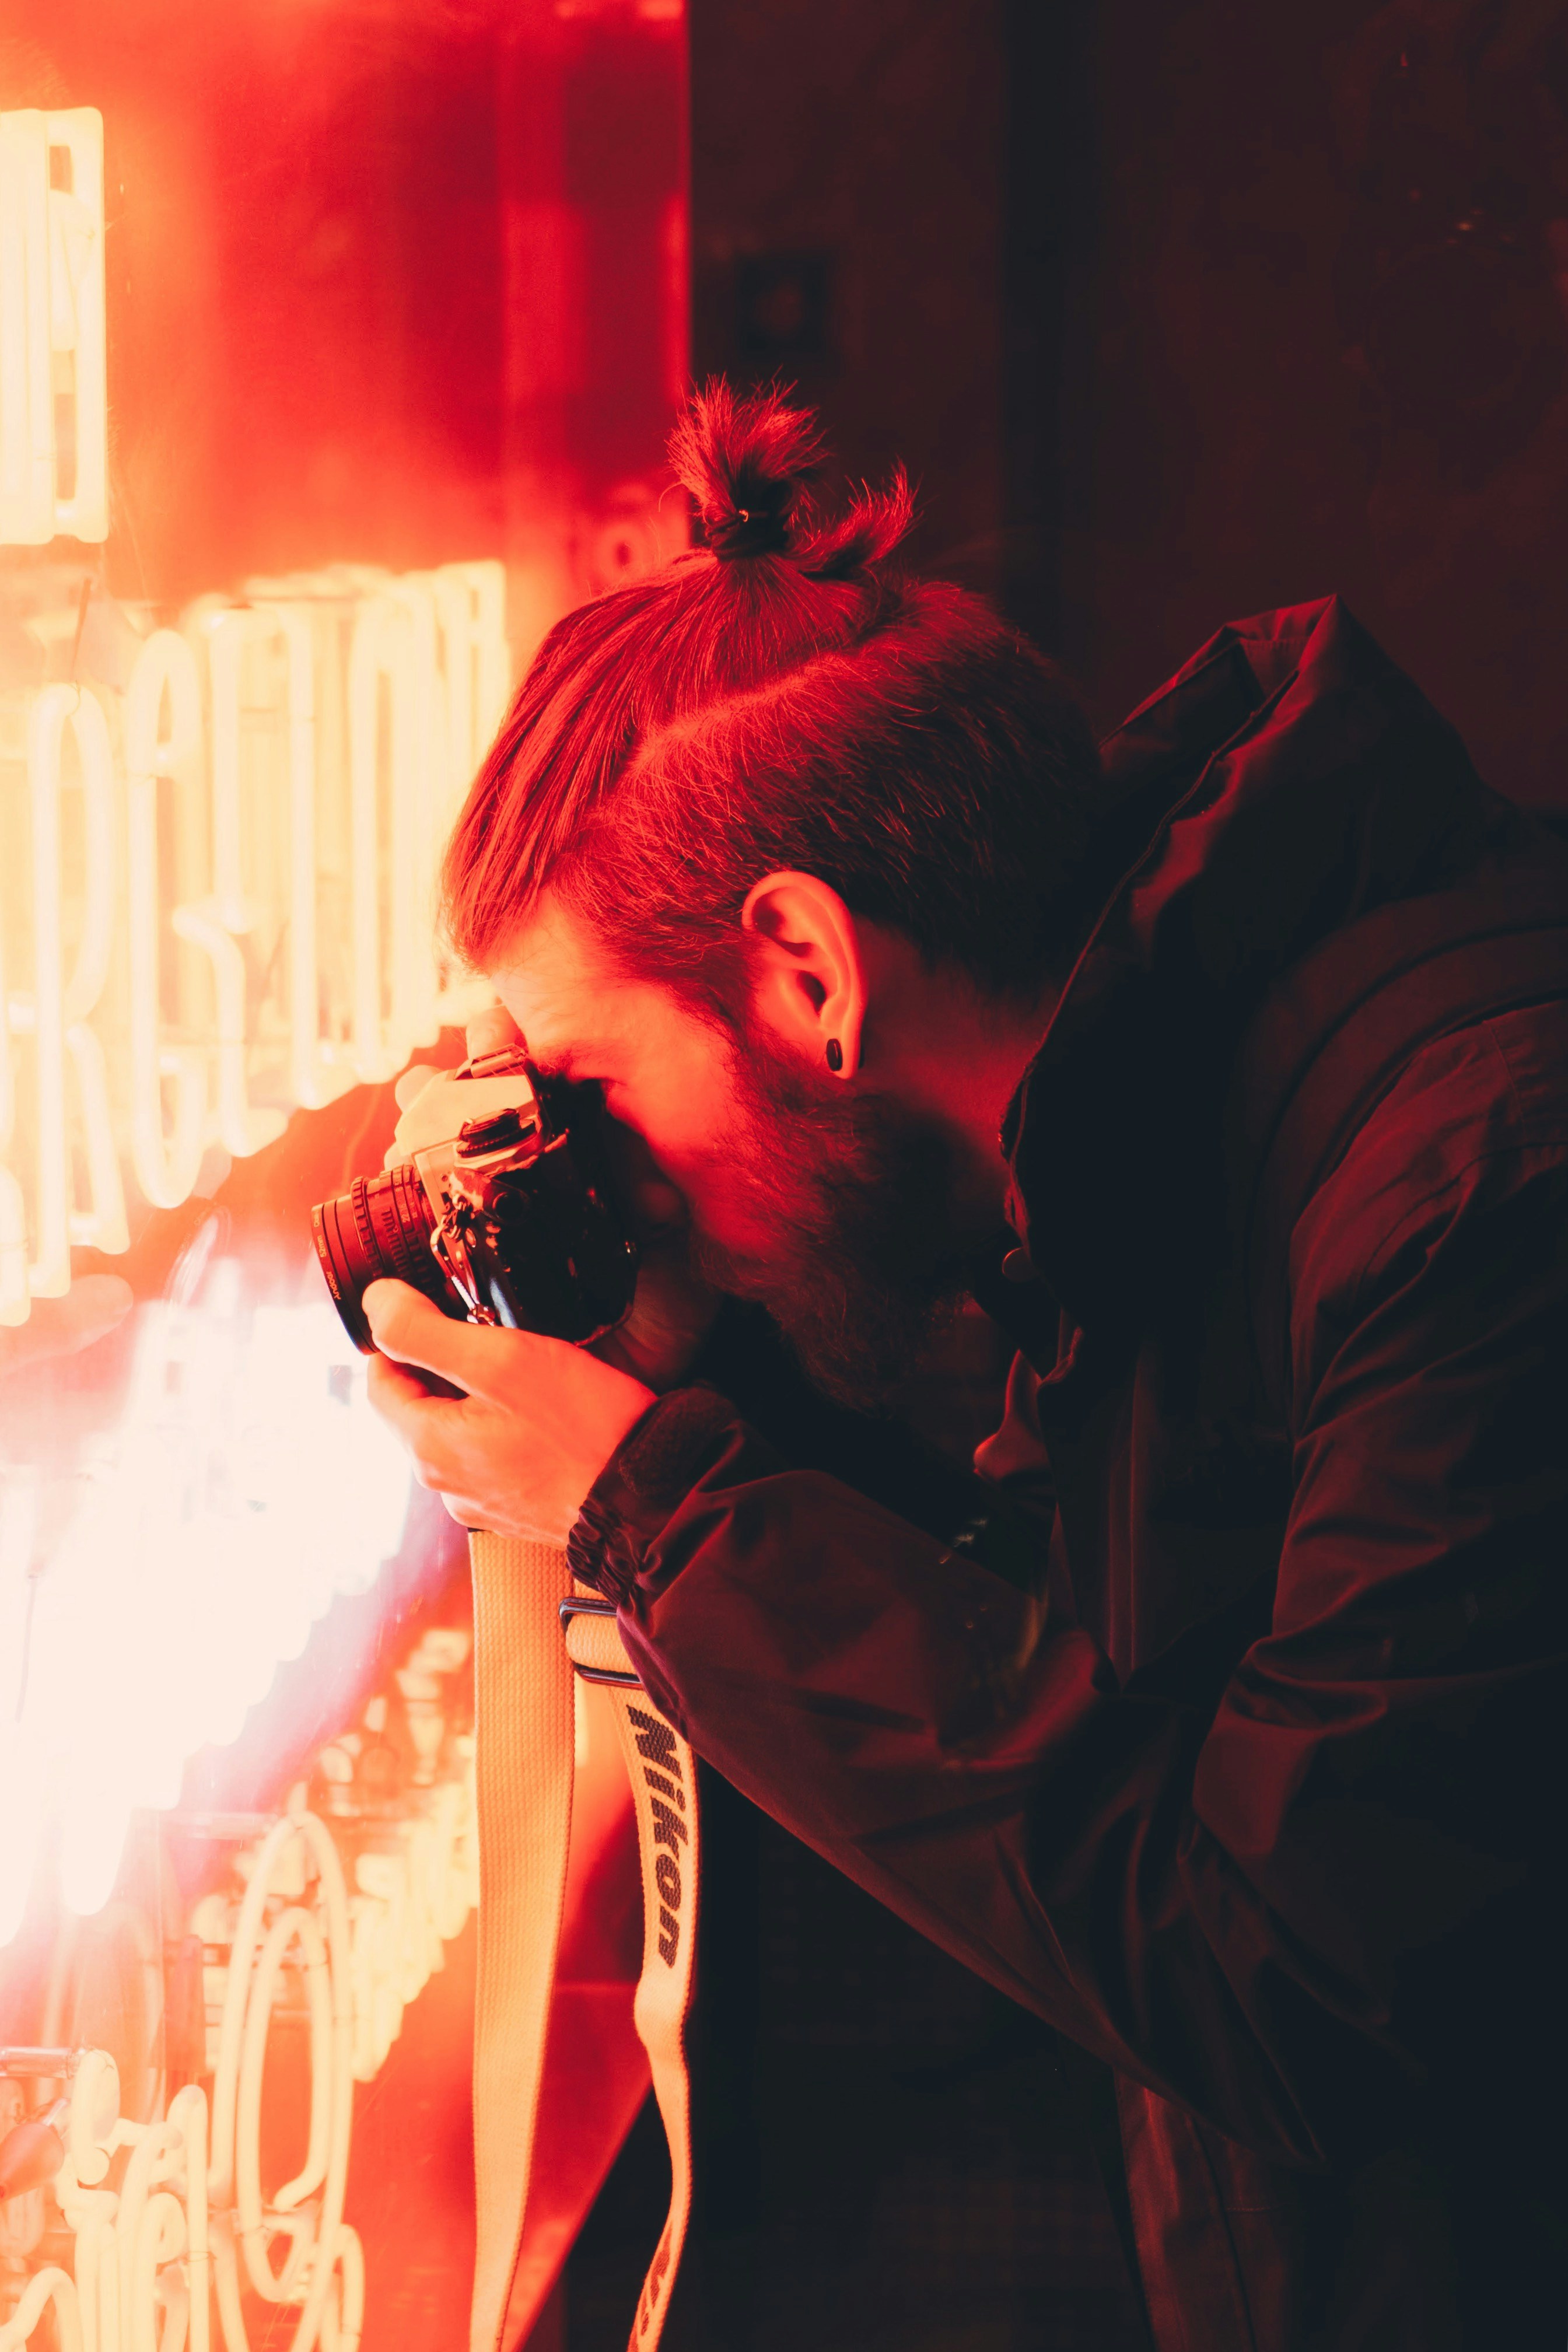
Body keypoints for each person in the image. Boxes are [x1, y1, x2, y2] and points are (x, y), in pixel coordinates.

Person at [363, 382, 1568, 2351]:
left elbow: (1306, 1969)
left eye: (589, 1085)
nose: (593, 1164)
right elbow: (1118, 1672)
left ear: (808, 973)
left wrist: (657, 1517)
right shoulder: (1171, 1122)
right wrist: (693, 1420)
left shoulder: (1473, 1195)